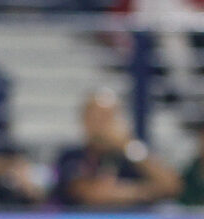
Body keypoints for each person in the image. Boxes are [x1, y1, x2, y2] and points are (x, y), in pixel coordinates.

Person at [53, 88, 183, 209]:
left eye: (107, 117)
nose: (101, 124)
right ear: (84, 120)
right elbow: (90, 194)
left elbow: (171, 187)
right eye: (96, 117)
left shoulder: (132, 157)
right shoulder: (71, 156)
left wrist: (129, 146)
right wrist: (144, 192)